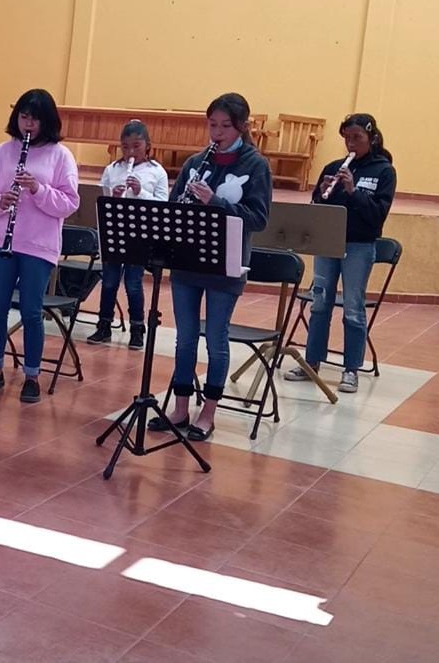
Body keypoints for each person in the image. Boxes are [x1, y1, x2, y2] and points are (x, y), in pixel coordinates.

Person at [150, 92, 271, 439]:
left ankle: (209, 413)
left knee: (216, 339)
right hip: (187, 258)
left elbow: (259, 218)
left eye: (225, 127)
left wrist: (215, 202)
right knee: (185, 339)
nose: (216, 133)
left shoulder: (254, 165)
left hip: (226, 263)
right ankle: (181, 409)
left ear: (242, 127)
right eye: (212, 125)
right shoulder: (195, 162)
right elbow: (173, 208)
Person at [0, 89, 80, 404]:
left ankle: (32, 375)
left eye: (35, 118)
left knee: (31, 311)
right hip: (2, 240)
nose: (28, 124)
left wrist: (38, 189)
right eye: (23, 116)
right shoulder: (2, 152)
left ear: (47, 122)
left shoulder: (61, 156)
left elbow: (69, 203)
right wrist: (1, 201)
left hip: (38, 246)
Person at [284, 114, 396, 393]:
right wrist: (321, 194)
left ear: (371, 137)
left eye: (357, 137)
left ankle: (350, 370)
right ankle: (311, 363)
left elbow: (378, 214)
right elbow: (318, 209)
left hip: (359, 245)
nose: (351, 143)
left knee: (353, 308)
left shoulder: (384, 171)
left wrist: (353, 191)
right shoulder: (333, 167)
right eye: (347, 137)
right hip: (327, 242)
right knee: (320, 304)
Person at [87, 119, 169, 349]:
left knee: (133, 283)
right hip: (114, 232)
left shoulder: (156, 172)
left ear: (148, 146)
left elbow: (163, 206)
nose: (130, 152)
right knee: (109, 281)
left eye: (136, 146)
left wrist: (139, 192)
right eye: (125, 147)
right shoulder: (112, 169)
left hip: (141, 235)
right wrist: (112, 197)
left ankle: (137, 329)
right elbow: (100, 200)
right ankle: (103, 326)